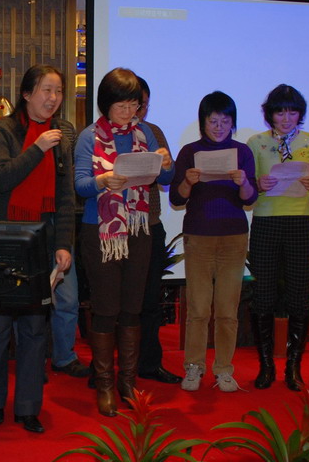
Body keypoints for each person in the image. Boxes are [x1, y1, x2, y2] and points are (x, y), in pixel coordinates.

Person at [0, 64, 75, 434]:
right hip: (3, 238)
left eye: (58, 91)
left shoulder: (61, 135)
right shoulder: (2, 130)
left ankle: (28, 407)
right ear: (26, 94)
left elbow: (65, 197)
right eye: (46, 90)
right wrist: (37, 148)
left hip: (40, 240)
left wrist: (63, 244)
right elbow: (1, 178)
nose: (53, 98)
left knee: (35, 328)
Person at [75, 67, 174, 417]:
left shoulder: (145, 132)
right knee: (106, 309)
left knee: (133, 307)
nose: (129, 112)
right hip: (100, 231)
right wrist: (103, 180)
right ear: (106, 104)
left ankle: (127, 382)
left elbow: (165, 178)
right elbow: (80, 185)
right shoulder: (89, 136)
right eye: (122, 106)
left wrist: (166, 163)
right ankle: (104, 384)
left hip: (138, 228)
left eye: (134, 105)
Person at [170, 91, 257, 393]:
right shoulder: (189, 152)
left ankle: (223, 369)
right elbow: (176, 198)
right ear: (203, 122)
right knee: (198, 308)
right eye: (213, 121)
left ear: (233, 122)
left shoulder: (242, 152)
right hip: (199, 236)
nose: (219, 127)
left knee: (227, 310)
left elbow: (250, 199)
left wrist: (243, 182)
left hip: (234, 237)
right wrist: (188, 181)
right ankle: (194, 367)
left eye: (225, 121)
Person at [246, 84, 309, 391]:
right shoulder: (256, 142)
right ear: (270, 114)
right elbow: (247, 187)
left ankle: (294, 366)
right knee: (263, 296)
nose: (286, 118)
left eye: (292, 112)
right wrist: (258, 183)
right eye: (280, 112)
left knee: (298, 296)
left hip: (301, 222)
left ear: (300, 114)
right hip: (266, 222)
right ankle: (266, 365)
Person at [135, 76, 183, 385]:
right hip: (116, 229)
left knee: (151, 301)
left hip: (151, 224)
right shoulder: (102, 134)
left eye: (145, 105)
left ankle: (150, 364)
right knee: (118, 305)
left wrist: (167, 164)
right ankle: (112, 367)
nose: (140, 110)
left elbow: (168, 179)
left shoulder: (153, 132)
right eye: (136, 104)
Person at [48, 118, 91, 380]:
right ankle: (32, 359)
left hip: (64, 221)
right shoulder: (16, 130)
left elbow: (74, 177)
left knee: (68, 297)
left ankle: (64, 357)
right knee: (31, 301)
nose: (50, 99)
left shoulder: (66, 129)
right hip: (30, 222)